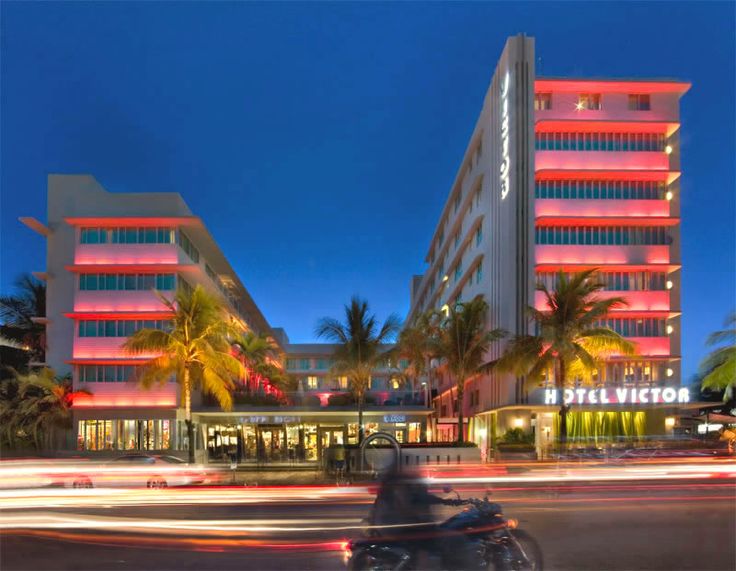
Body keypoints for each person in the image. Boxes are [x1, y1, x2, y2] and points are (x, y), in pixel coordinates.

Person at [368, 466, 469, 568]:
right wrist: (420, 518)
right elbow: (407, 506)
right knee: (453, 537)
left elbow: (424, 499)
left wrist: (445, 501)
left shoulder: (390, 487)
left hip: (388, 528)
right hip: (399, 529)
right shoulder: (400, 486)